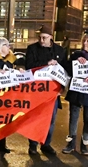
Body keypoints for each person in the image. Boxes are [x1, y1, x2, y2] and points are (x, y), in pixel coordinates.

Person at [25, 25, 67, 156]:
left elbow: (65, 71)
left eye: (44, 37)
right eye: (40, 37)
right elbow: (29, 66)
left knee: (51, 119)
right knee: (35, 118)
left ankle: (46, 144)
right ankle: (33, 145)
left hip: (53, 92)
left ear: (51, 37)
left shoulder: (60, 50)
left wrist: (63, 88)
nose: (41, 40)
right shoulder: (32, 49)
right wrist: (46, 63)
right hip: (37, 91)